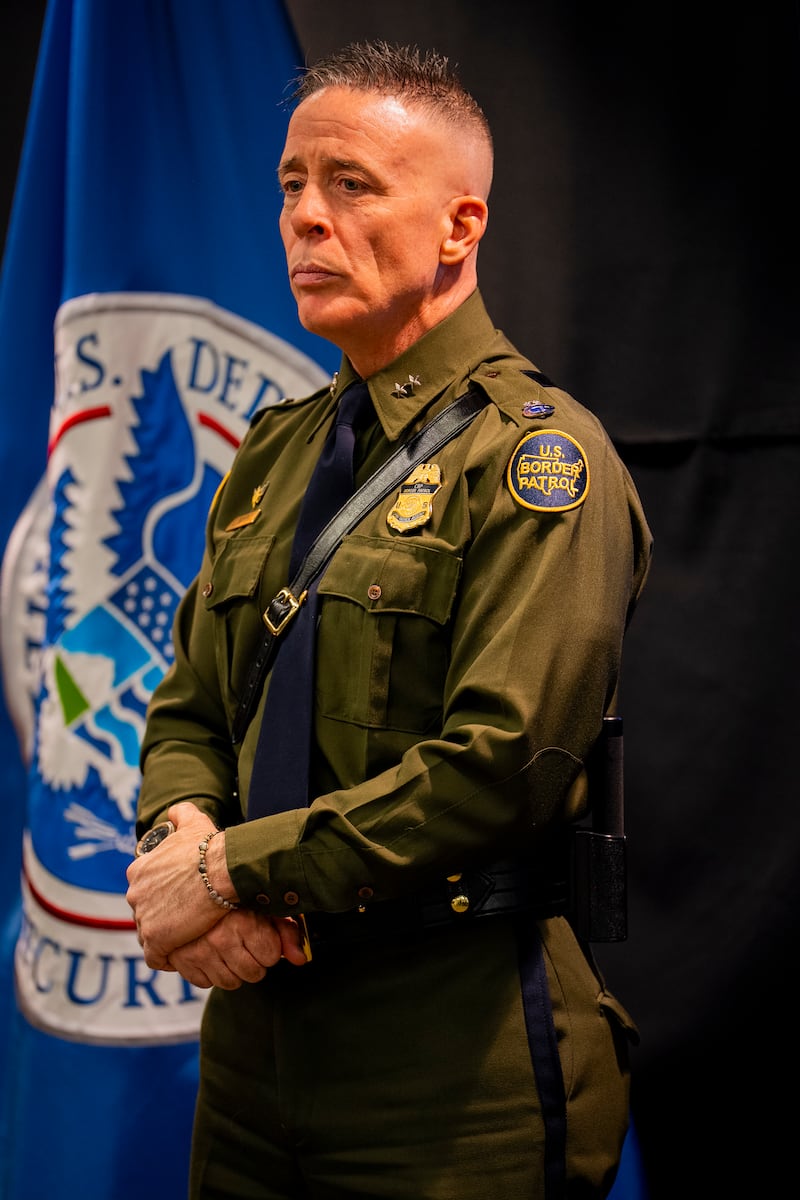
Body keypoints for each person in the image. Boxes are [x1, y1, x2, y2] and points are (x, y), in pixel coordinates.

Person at [126, 39, 652, 1200]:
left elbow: (500, 765)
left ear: (459, 227)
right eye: (290, 186)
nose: (305, 219)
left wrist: (227, 880)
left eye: (351, 186)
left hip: (449, 1064)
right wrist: (176, 834)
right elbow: (190, 708)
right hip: (254, 1055)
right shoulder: (276, 451)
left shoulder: (535, 462)